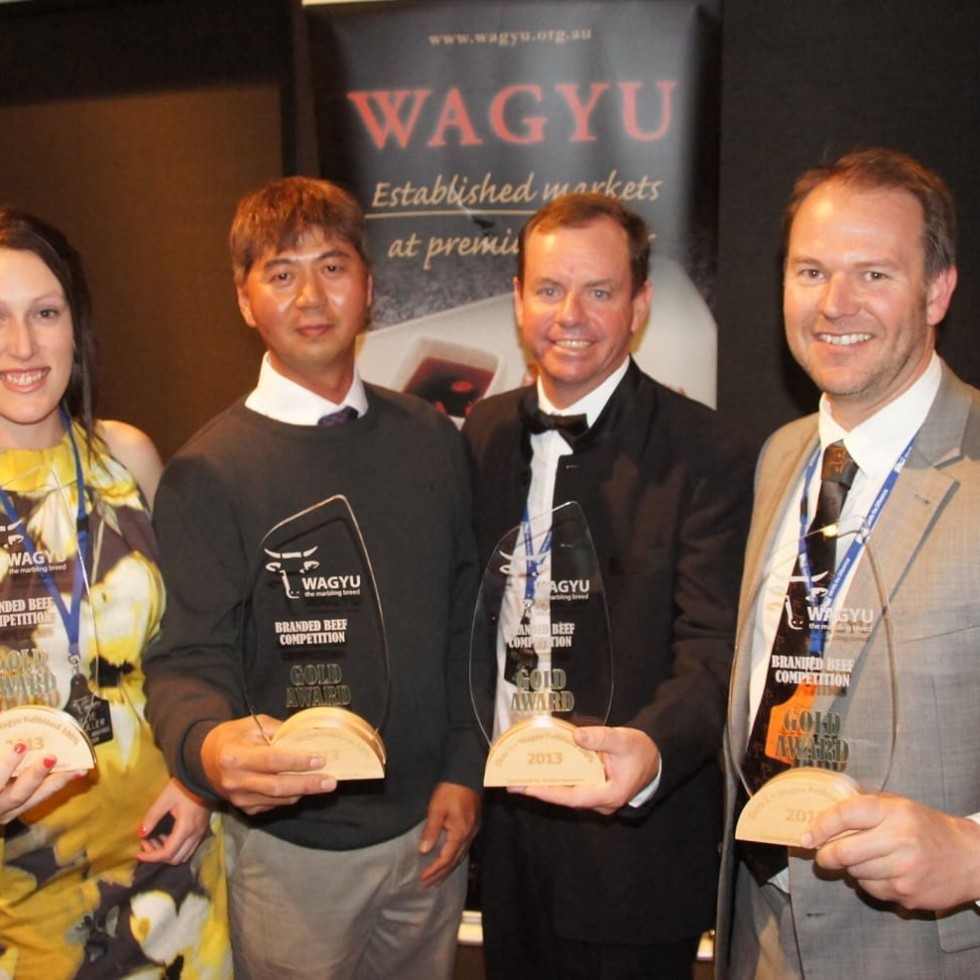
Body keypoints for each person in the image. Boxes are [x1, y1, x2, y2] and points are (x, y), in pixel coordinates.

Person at [142, 176, 483, 979]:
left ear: (369, 285)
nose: (310, 295)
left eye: (332, 266)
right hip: (291, 857)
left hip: (429, 832)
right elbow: (189, 659)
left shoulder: (433, 440)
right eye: (280, 272)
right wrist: (209, 750)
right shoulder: (208, 471)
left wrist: (465, 770)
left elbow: (469, 611)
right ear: (243, 298)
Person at [462, 193, 754, 978]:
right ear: (519, 301)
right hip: (506, 836)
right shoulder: (483, 433)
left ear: (640, 305)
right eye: (551, 290)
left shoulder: (710, 450)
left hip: (634, 852)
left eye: (601, 291)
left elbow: (716, 646)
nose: (573, 315)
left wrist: (652, 751)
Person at [716, 148, 980, 978]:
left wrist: (977, 852)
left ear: (938, 289)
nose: (834, 304)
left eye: (873, 273)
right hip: (762, 928)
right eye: (811, 271)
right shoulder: (783, 456)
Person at [0, 209, 230, 977]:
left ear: (77, 325)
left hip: (175, 861)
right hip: (23, 896)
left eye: (45, 313)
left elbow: (196, 644)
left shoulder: (127, 457)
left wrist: (198, 781)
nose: (22, 347)